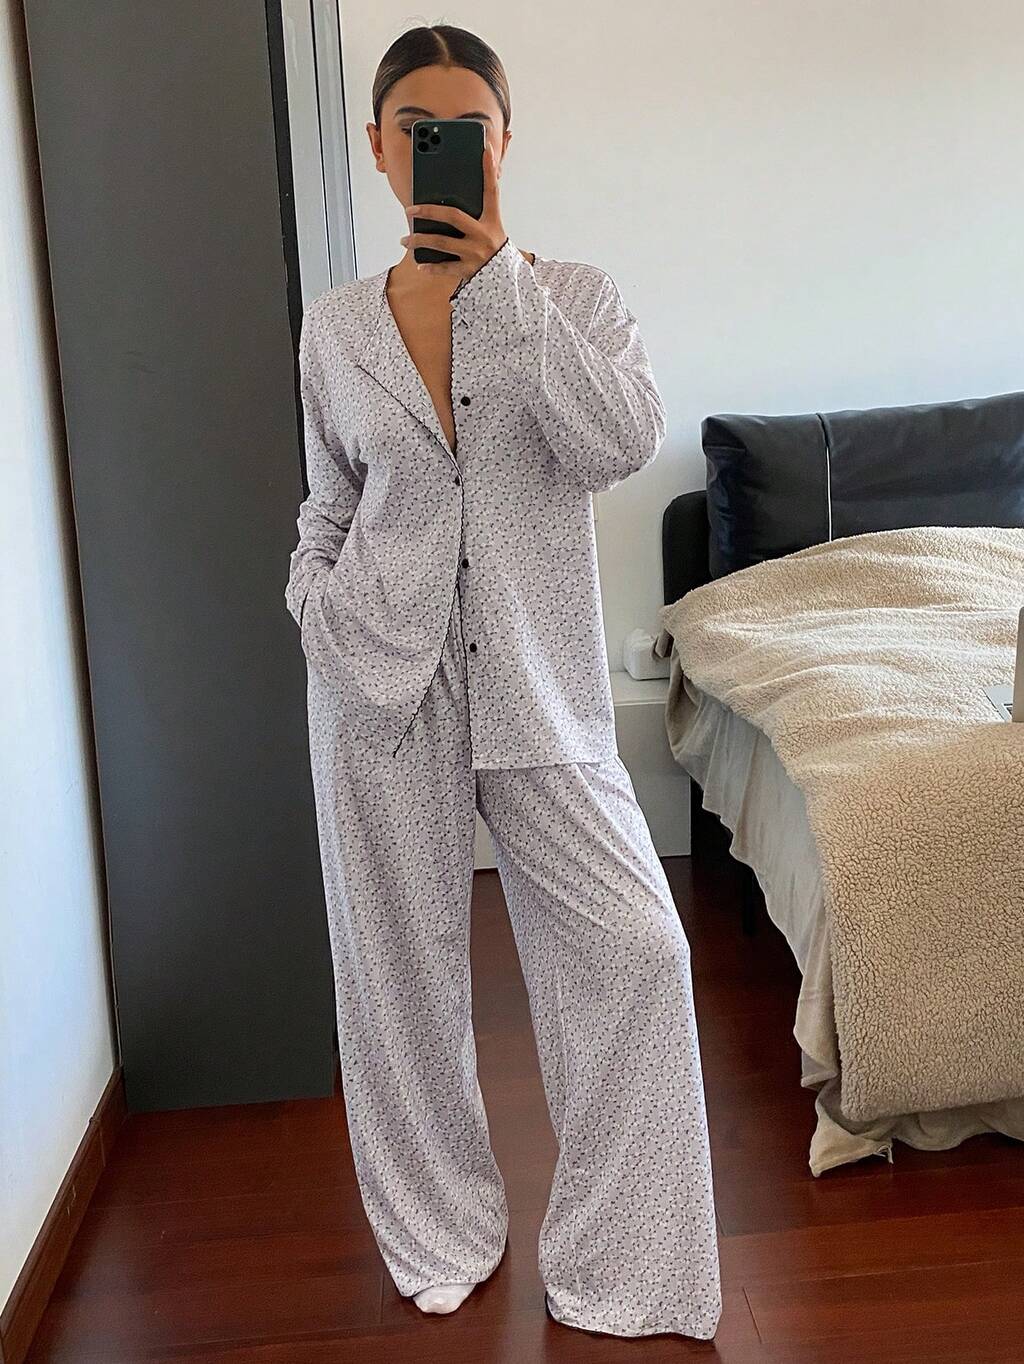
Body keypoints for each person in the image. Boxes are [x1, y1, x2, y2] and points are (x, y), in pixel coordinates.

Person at [284, 21, 722, 1342]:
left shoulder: (571, 298)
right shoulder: (334, 329)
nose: (439, 148)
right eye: (415, 128)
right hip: (380, 683)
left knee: (638, 956)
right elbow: (328, 504)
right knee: (398, 981)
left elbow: (617, 442)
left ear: (503, 144)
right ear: (377, 146)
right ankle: (440, 1229)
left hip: (538, 684)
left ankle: (622, 1256)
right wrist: (316, 606)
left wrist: (508, 291)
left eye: (464, 129)